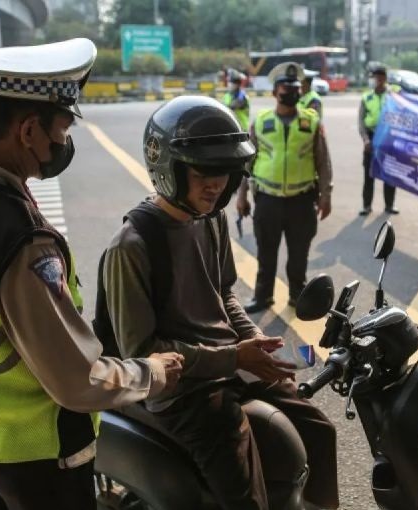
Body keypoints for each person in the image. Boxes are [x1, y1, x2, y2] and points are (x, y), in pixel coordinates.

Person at [0, 38, 183, 510]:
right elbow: (76, 381)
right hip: (39, 459)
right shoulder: (16, 236)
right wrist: (152, 373)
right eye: (61, 129)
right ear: (27, 131)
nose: (64, 143)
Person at [103, 95, 339, 510]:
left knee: (320, 431)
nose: (216, 184)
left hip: (228, 361)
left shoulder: (211, 217)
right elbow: (141, 354)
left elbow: (223, 291)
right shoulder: (133, 246)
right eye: (204, 172)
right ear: (169, 169)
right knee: (243, 488)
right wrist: (234, 357)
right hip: (176, 389)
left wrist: (255, 342)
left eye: (226, 173)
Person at [237, 61, 333, 313]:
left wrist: (326, 195)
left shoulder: (311, 123)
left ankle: (297, 294)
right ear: (274, 92)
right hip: (268, 201)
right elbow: (248, 163)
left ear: (300, 91)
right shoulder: (260, 123)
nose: (290, 93)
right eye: (284, 88)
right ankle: (263, 296)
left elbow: (323, 161)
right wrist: (241, 196)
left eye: (294, 88)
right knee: (266, 253)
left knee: (299, 254)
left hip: (302, 201)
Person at [358, 63, 401, 216]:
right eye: (376, 77)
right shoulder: (366, 97)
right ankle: (366, 206)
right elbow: (361, 121)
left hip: (388, 138)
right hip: (371, 137)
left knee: (389, 173)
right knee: (369, 174)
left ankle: (389, 205)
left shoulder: (393, 94)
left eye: (382, 77)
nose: (379, 80)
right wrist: (365, 140)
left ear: (386, 78)